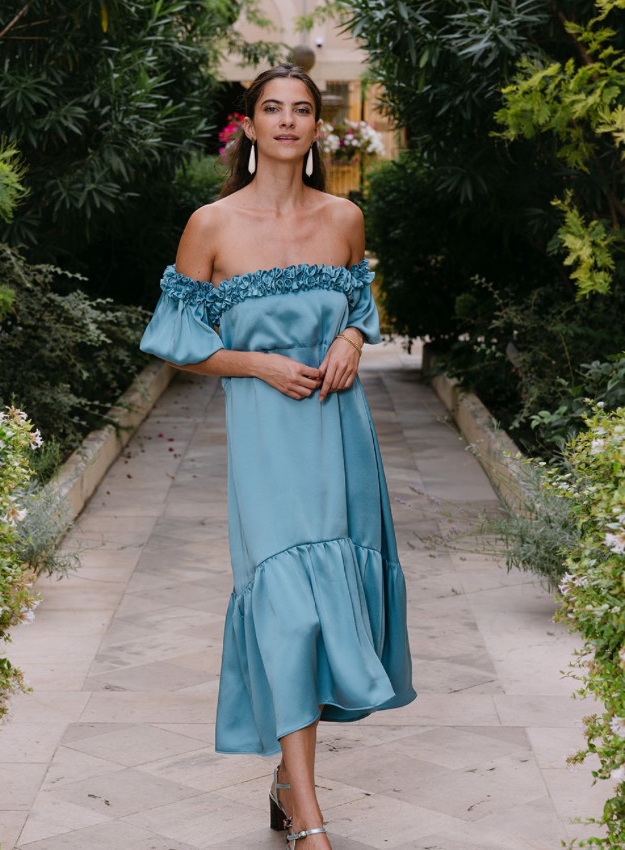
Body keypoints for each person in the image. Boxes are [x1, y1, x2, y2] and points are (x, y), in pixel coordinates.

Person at [140, 63, 416, 850]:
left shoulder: (345, 217)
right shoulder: (212, 225)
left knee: (328, 613)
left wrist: (353, 337)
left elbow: (360, 303)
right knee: (289, 612)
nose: (288, 120)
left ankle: (290, 788)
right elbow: (175, 340)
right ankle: (310, 819)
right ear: (250, 125)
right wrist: (256, 364)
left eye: (301, 109)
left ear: (317, 128)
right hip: (266, 441)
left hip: (339, 434)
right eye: (273, 108)